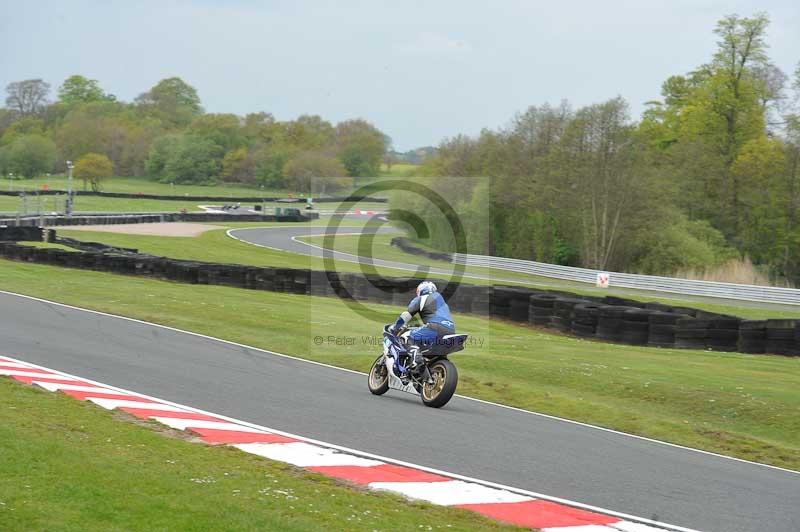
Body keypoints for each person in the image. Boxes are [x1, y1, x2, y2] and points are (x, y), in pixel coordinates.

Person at [388, 281, 456, 371]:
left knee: (406, 337)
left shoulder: (421, 299)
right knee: (434, 352)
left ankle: (416, 360)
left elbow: (406, 315)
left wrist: (396, 327)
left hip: (435, 327)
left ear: (421, 290)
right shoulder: (443, 303)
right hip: (451, 330)